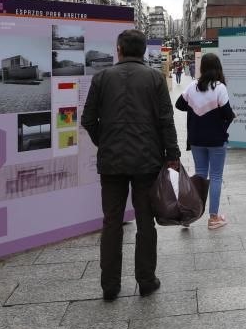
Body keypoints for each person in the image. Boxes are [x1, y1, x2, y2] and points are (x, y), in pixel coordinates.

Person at [81, 29, 181, 301]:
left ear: (119, 50)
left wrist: (106, 141)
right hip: (147, 162)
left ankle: (110, 285)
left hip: (111, 163)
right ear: (143, 52)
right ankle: (146, 279)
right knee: (146, 221)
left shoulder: (101, 78)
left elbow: (88, 120)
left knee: (111, 221)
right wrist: (172, 154)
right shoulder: (154, 78)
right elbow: (165, 119)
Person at [175, 53, 235, 230]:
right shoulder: (219, 87)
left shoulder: (192, 86)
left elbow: (179, 104)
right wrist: (231, 116)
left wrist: (194, 107)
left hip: (196, 139)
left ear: (202, 68)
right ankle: (214, 218)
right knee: (216, 176)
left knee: (200, 175)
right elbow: (226, 114)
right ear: (218, 68)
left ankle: (188, 216)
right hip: (216, 139)